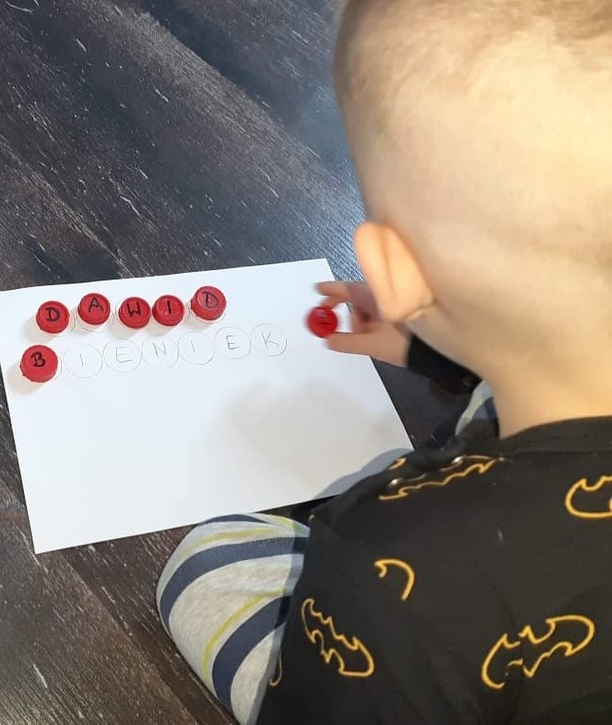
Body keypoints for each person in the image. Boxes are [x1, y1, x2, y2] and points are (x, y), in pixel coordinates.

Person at [157, 0, 612, 722]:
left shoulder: (389, 560)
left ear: (393, 272)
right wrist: (432, 337)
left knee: (207, 565)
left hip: (422, 631)